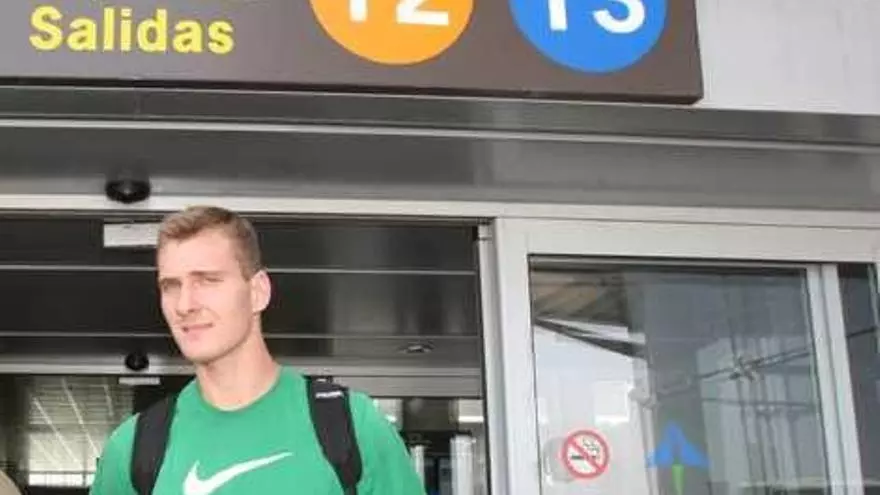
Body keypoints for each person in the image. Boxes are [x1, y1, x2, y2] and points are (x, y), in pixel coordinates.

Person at [90, 205, 425, 495]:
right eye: (171, 286)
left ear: (258, 292)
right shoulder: (133, 449)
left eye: (207, 280)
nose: (185, 304)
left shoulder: (353, 427)